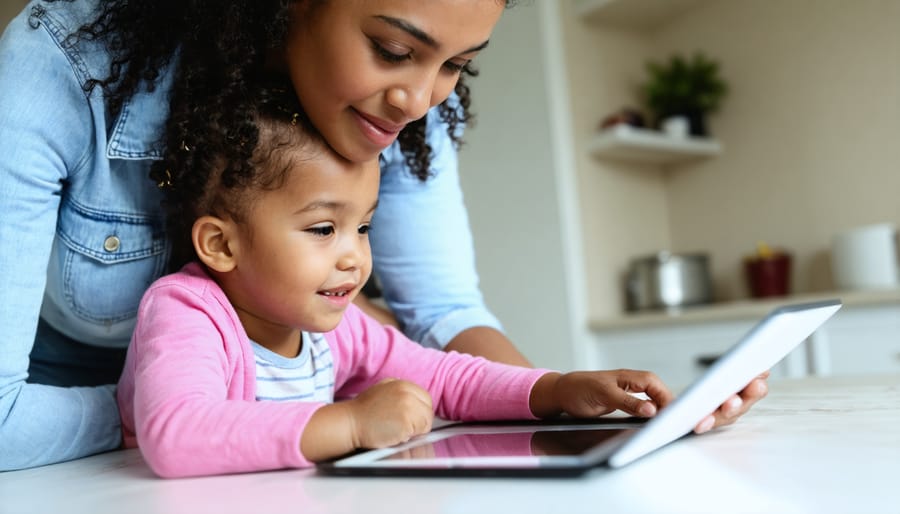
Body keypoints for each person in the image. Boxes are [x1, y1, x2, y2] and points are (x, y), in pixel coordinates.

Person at [0, 0, 766, 471]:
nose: (417, 99)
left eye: (456, 66)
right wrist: (185, 408)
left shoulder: (345, 326)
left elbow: (444, 334)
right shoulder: (57, 73)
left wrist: (571, 407)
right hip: (67, 459)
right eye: (396, 50)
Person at [117, 76, 677, 478]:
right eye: (321, 229)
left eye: (362, 228)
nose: (354, 258)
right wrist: (353, 425)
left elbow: (447, 379)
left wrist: (556, 389)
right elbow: (177, 437)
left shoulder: (337, 324)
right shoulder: (187, 311)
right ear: (222, 244)